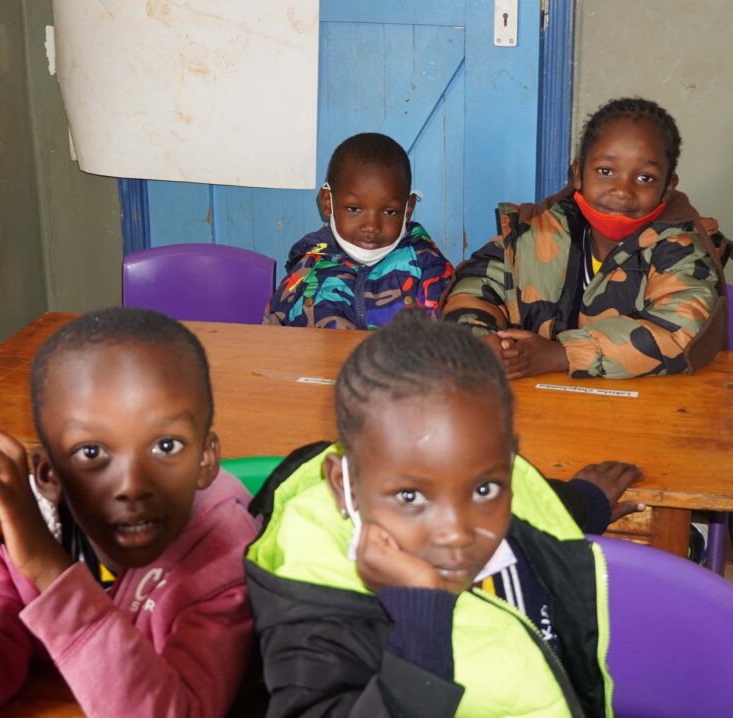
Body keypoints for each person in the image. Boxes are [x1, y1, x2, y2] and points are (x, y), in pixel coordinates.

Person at [246, 311, 641, 716]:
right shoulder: (313, 593)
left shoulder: (501, 481)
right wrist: (422, 616)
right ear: (345, 486)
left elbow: (532, 503)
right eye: (411, 497)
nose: (456, 531)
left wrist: (585, 501)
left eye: (483, 489)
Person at [0, 308, 259, 718]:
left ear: (207, 460)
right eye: (92, 453)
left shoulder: (223, 552)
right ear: (48, 475)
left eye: (166, 446)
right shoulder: (25, 530)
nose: (132, 485)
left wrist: (49, 570)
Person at [442, 97, 728, 379]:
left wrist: (561, 354)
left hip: (640, 413)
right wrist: (487, 344)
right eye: (605, 171)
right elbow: (474, 287)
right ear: (578, 174)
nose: (622, 191)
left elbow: (681, 331)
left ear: (667, 187)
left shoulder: (682, 250)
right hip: (542, 409)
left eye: (645, 178)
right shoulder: (533, 233)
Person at [264, 132, 453, 329]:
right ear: (328, 202)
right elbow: (275, 335)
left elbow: (448, 343)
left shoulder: (427, 267)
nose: (371, 226)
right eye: (354, 209)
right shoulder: (310, 265)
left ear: (408, 210)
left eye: (389, 211)